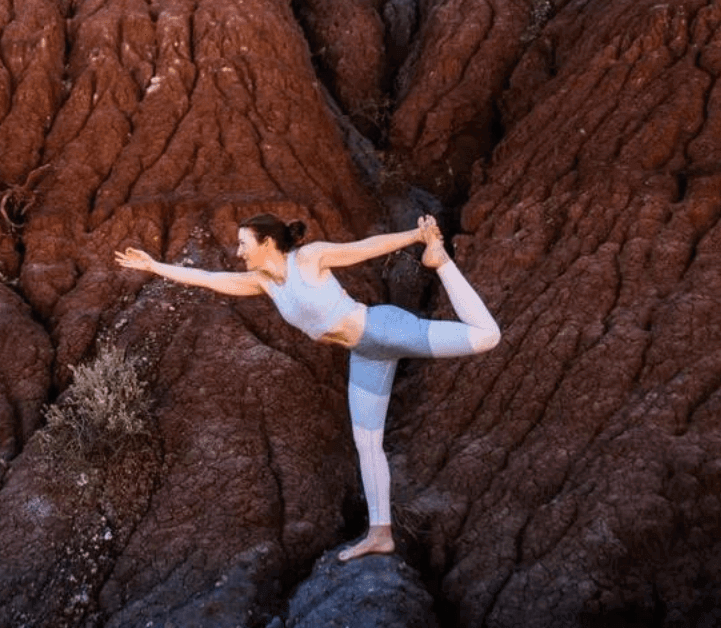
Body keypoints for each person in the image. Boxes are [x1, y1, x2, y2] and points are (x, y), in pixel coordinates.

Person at [115, 213, 500, 561]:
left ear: (266, 243)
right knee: (366, 441)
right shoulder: (265, 284)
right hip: (366, 354)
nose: (238, 251)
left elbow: (364, 249)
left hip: (384, 329)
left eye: (243, 244)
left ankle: (443, 263)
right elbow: (211, 280)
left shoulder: (309, 258)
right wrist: (155, 266)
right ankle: (380, 534)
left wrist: (417, 236)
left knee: (487, 337)